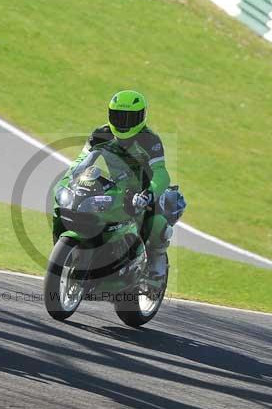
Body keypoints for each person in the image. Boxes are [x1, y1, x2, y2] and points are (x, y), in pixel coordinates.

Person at [54, 89, 185, 280]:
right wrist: (67, 180)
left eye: (130, 118)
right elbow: (81, 161)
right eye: (118, 116)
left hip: (144, 191)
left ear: (142, 117)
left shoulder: (149, 140)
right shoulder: (101, 133)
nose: (123, 123)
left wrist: (148, 194)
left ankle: (156, 260)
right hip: (118, 186)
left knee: (155, 223)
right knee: (74, 205)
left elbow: (161, 173)